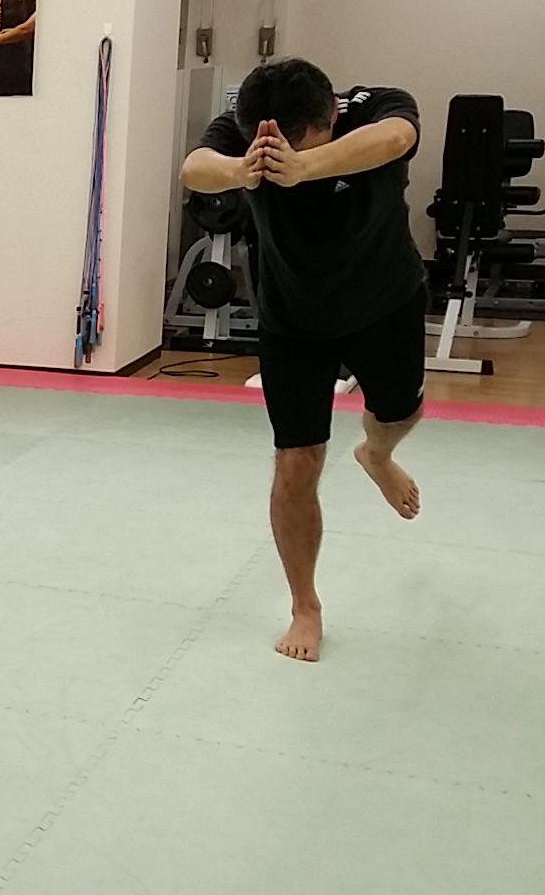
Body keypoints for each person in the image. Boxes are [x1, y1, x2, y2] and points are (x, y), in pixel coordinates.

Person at [179, 59, 427, 663]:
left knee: (399, 412)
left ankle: (376, 455)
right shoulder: (247, 133)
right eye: (272, 148)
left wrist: (304, 168)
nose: (281, 155)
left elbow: (399, 136)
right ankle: (304, 606)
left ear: (332, 116)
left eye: (300, 144)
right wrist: (243, 169)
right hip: (293, 320)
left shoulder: (372, 107)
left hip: (384, 305)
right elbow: (194, 167)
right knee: (296, 460)